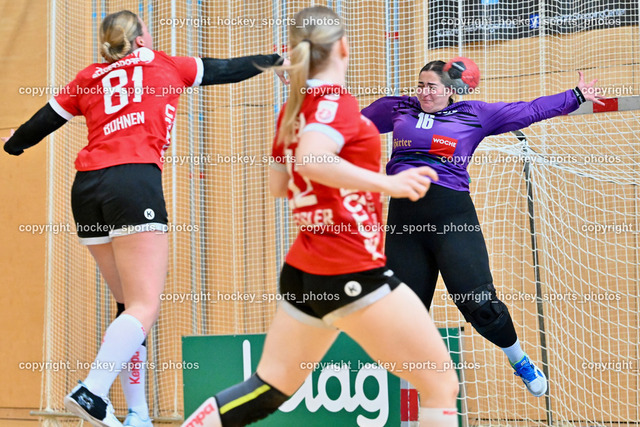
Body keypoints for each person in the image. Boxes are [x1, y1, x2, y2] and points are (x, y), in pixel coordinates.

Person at [2, 10, 287, 427]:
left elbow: (43, 120)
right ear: (139, 40)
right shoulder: (164, 64)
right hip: (132, 183)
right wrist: (277, 60)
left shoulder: (89, 77)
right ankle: (92, 390)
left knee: (129, 307)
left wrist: (15, 145)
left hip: (87, 190)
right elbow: (226, 69)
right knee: (145, 304)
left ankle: (138, 414)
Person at [182, 6, 460, 427]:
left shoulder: (292, 110)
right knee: (440, 384)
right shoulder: (335, 102)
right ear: (343, 47)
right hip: (348, 266)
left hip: (305, 270)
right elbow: (312, 160)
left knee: (268, 388)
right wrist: (389, 184)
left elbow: (279, 185)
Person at [361, 61, 604, 397]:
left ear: (450, 89)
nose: (424, 92)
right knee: (400, 316)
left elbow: (528, 110)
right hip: (405, 223)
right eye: (420, 85)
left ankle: (519, 360)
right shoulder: (399, 108)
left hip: (451, 219)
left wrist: (575, 96)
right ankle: (429, 384)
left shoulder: (473, 114)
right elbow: (350, 124)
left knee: (481, 306)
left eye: (431, 86)